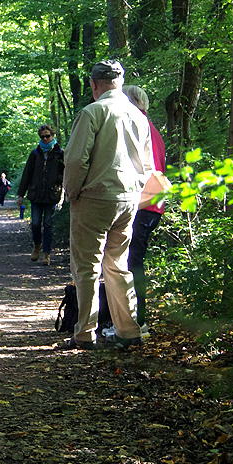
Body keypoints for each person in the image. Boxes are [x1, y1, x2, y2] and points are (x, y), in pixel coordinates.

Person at [60, 60, 153, 350]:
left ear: (94, 85)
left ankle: (85, 333)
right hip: (128, 200)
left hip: (94, 198)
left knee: (87, 267)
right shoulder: (138, 116)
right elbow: (147, 165)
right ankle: (129, 330)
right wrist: (136, 191)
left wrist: (71, 193)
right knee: (119, 264)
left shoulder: (92, 112)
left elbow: (76, 160)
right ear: (120, 82)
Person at [122, 84, 166, 335]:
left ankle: (138, 320)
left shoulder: (140, 127)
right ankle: (130, 319)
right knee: (130, 260)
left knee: (131, 261)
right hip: (150, 203)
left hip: (144, 203)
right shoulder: (149, 127)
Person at [16, 124, 65, 266]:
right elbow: (27, 174)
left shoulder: (60, 154)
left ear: (53, 136)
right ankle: (37, 245)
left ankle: (47, 254)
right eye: (42, 136)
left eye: (47, 136)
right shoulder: (35, 154)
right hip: (36, 194)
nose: (45, 139)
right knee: (36, 223)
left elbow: (67, 173)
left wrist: (65, 189)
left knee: (48, 224)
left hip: (51, 195)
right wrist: (21, 194)